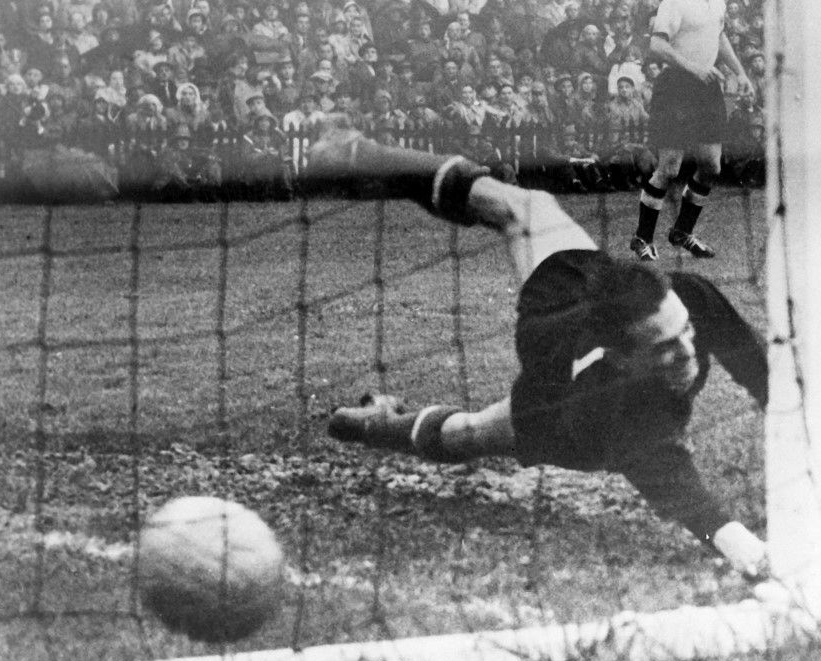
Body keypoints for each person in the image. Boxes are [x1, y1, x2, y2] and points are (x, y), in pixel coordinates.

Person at [314, 131, 769, 579]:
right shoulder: (601, 400)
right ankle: (375, 424)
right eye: (665, 349)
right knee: (470, 434)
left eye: (685, 331)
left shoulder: (689, 299)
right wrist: (742, 545)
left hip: (585, 290)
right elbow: (669, 477)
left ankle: (362, 154)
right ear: (621, 357)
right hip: (560, 396)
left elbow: (762, 369)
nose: (688, 352)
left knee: (532, 206)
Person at [630, 0, 752, 262]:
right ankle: (642, 237)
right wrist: (692, 67)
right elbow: (657, 45)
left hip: (706, 87)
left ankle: (682, 232)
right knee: (669, 169)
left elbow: (719, 36)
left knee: (711, 166)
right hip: (676, 86)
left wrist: (740, 72)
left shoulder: (717, 2)